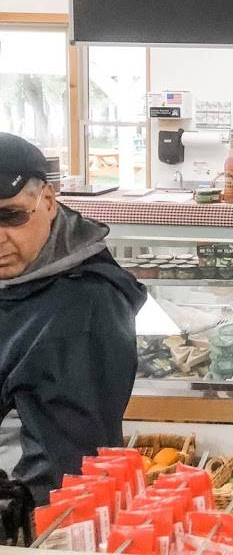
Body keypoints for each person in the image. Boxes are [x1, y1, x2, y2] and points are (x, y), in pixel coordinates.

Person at [0, 133, 146, 504]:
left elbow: (59, 475)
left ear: (48, 201)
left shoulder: (83, 309)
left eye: (11, 216)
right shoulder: (17, 275)